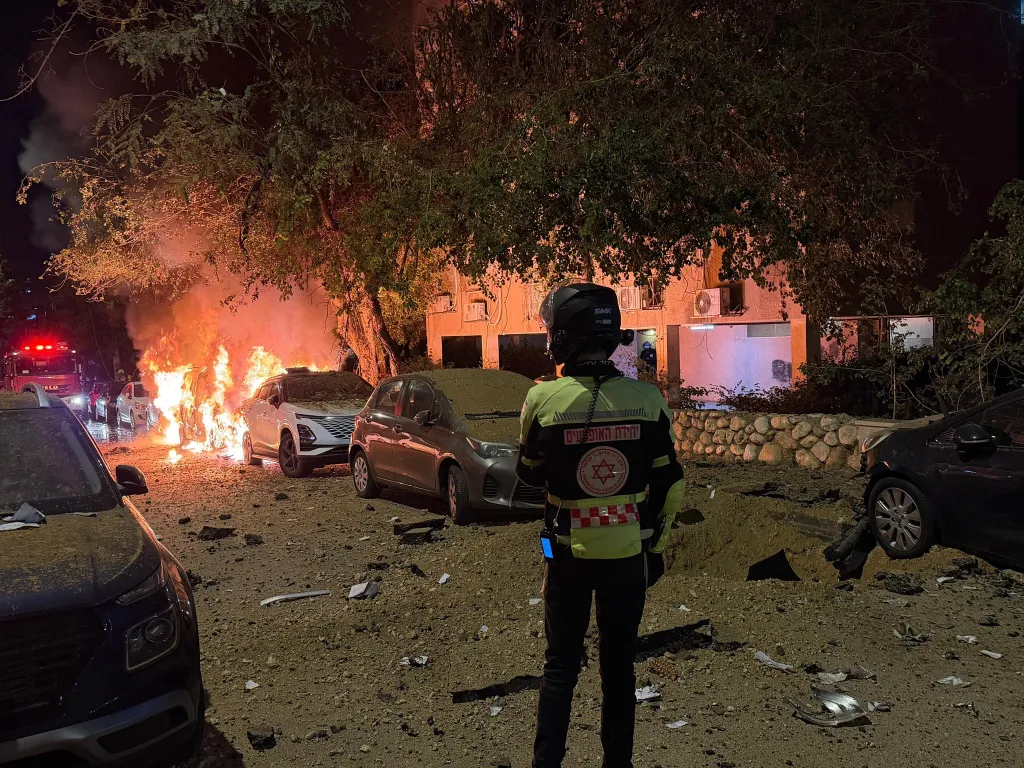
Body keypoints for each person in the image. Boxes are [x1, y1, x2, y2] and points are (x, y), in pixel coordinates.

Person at [517, 283, 686, 768]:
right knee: (619, 671)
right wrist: (655, 549)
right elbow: (671, 485)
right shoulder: (648, 400)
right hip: (630, 558)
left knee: (559, 670)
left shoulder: (542, 402)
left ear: (562, 339)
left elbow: (529, 473)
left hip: (565, 556)